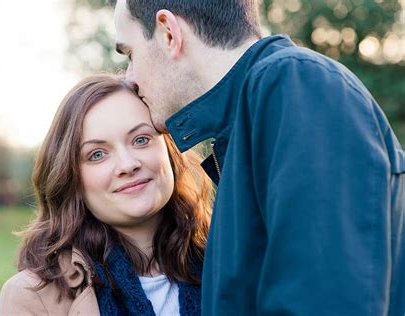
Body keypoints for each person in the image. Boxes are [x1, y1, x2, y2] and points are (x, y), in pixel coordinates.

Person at [109, 0, 405, 315]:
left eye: (130, 54)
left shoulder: (295, 84)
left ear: (169, 33)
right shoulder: (246, 124)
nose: (130, 77)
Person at [0, 74, 213, 315]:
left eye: (141, 140)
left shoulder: (231, 260)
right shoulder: (32, 296)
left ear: (170, 152)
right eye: (97, 154)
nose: (127, 164)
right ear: (71, 178)